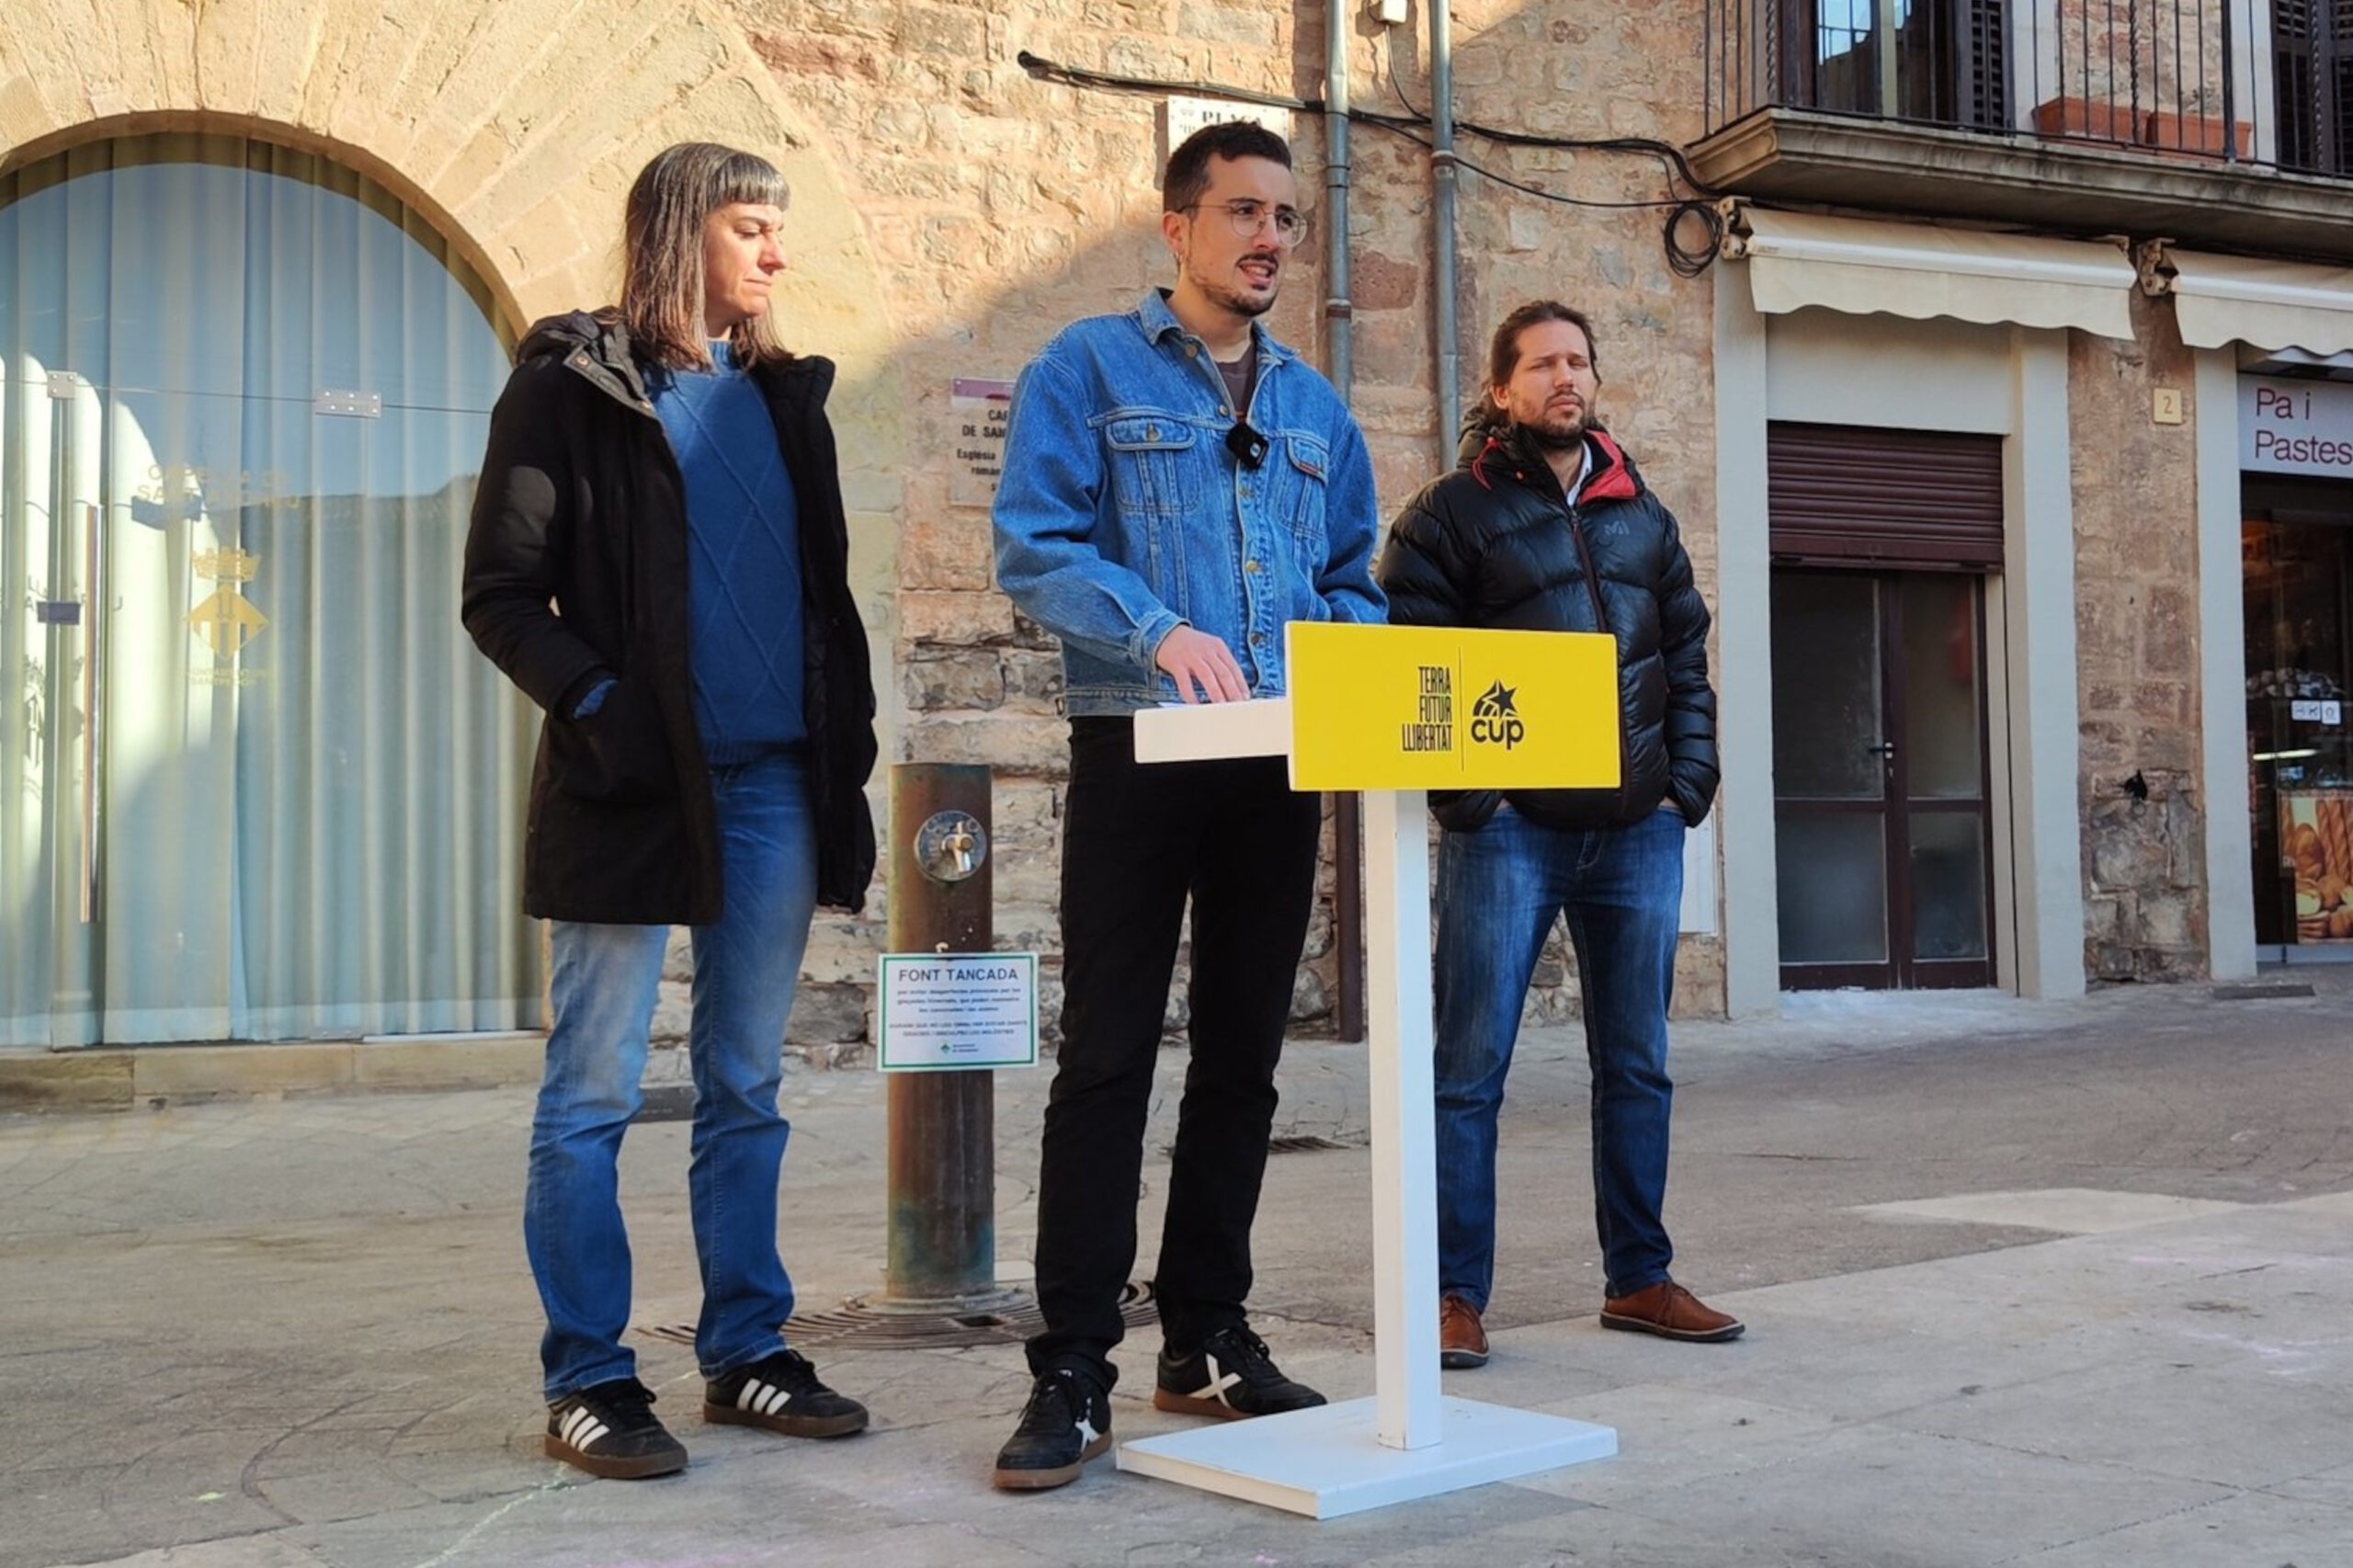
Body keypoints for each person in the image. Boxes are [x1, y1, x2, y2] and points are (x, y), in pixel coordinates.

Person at [461, 142, 880, 1480]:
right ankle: (587, 1373)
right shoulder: (572, 384)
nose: (776, 254)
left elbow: (819, 598)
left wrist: (845, 744)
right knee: (590, 1087)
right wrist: (602, 705)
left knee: (745, 1082)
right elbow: (500, 594)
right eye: (751, 228)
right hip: (631, 785)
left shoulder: (787, 400)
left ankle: (746, 1347)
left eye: (779, 230)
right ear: (680, 232)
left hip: (775, 785)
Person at [986, 120, 1384, 1490]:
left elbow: (1355, 581)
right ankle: (1074, 1365)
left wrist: (1326, 652)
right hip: (1140, 744)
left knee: (1243, 1059)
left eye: (1286, 217)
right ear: (1178, 227)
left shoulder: (1317, 408)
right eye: (1244, 212)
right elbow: (1032, 545)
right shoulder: (1085, 368)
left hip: (1278, 760)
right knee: (1106, 1058)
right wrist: (1157, 629)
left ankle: (1205, 1331)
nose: (1270, 237)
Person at [1374, 300, 1738, 1369]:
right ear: (1502, 389)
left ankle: (1638, 1277)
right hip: (1511, 835)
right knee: (1467, 1069)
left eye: (1577, 361)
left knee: (1637, 1064)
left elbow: (1685, 655)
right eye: (1539, 364)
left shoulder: (1641, 514)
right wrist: (1472, 799)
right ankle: (1452, 1294)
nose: (1562, 378)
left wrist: (1686, 784)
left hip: (1636, 831)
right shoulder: (1449, 514)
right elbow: (1412, 667)